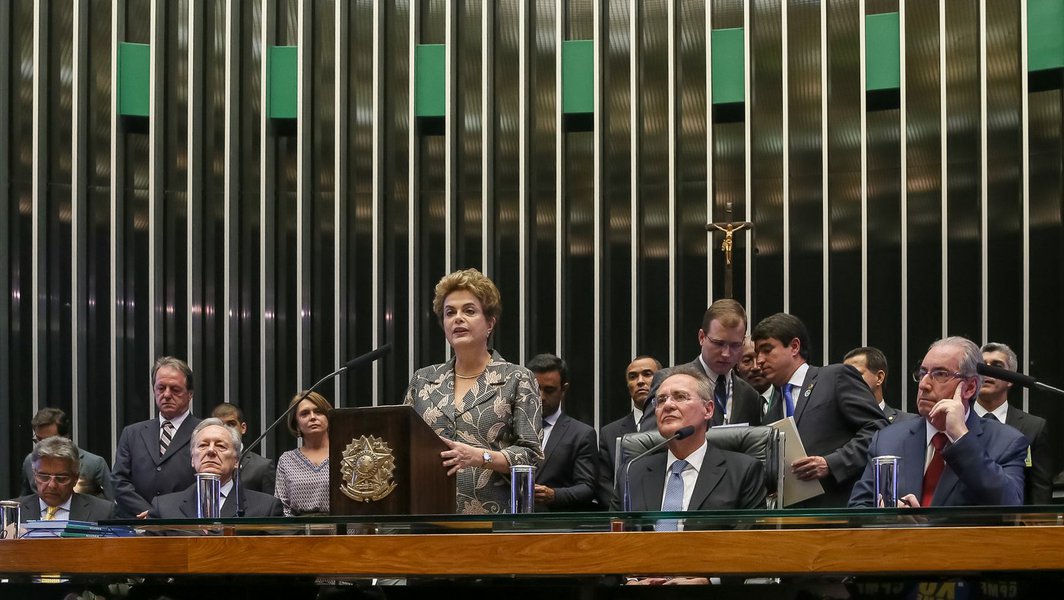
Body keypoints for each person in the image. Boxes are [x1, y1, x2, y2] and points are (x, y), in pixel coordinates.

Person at [404, 268, 543, 514]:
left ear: (489, 323)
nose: (458, 319)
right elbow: (403, 445)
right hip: (427, 515)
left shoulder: (517, 378)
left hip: (494, 518)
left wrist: (481, 457)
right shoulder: (423, 380)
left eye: (469, 311)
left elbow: (531, 455)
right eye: (450, 313)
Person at [849, 337, 1027, 507]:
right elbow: (858, 507)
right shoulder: (888, 439)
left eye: (940, 374)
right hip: (902, 538)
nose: (923, 384)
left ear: (970, 387)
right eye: (922, 373)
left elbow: (1009, 505)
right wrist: (889, 516)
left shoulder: (1007, 441)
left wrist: (960, 437)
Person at [751, 313, 886, 507]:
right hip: (793, 521)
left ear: (795, 347)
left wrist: (831, 463)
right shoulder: (770, 409)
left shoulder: (835, 377)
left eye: (767, 349)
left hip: (841, 511)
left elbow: (878, 430)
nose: (759, 361)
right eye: (757, 353)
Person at [612, 364, 766, 514]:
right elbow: (613, 535)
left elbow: (750, 537)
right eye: (661, 400)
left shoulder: (743, 471)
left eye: (680, 397)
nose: (668, 405)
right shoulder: (631, 472)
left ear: (708, 409)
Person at [640, 299, 763, 431]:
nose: (726, 354)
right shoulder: (668, 380)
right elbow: (648, 440)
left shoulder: (750, 396)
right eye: (718, 343)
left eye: (735, 345)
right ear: (701, 337)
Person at [112, 357, 202, 518]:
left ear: (190, 394)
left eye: (175, 389)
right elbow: (120, 481)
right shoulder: (132, 433)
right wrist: (149, 514)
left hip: (185, 523)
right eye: (161, 388)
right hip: (137, 522)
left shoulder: (205, 432)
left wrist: (164, 513)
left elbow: (207, 481)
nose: (167, 395)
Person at [149, 418, 283, 518]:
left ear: (236, 460)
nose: (211, 451)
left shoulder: (266, 508)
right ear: (192, 459)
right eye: (203, 445)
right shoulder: (163, 508)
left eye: (221, 446)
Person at [977, 342, 1053, 505]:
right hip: (960, 522)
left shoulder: (1033, 427)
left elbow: (1040, 488)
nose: (988, 372)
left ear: (1011, 379)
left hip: (1014, 522)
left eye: (997, 366)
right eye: (983, 367)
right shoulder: (956, 419)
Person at [526, 353, 598, 511]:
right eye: (536, 389)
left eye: (549, 390)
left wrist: (554, 495)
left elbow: (587, 488)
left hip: (555, 527)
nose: (541, 397)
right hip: (508, 526)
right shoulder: (510, 428)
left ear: (563, 389)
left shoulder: (581, 434)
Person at [597, 356, 661, 507]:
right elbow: (603, 484)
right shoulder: (610, 432)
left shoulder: (674, 428)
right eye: (633, 377)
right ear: (628, 385)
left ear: (661, 380)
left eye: (647, 374)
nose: (640, 381)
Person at [19, 407, 114, 500]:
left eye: (49, 441)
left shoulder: (95, 463)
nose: (43, 446)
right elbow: (25, 501)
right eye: (38, 440)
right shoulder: (30, 460)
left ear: (66, 437)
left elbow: (111, 505)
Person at [13, 436, 114, 522]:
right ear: (34, 475)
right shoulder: (10, 512)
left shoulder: (103, 512)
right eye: (44, 476)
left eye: (61, 478)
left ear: (75, 478)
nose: (52, 485)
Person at [274, 391, 332, 516]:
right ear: (296, 424)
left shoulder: (345, 454)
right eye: (305, 414)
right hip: (299, 532)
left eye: (319, 412)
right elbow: (282, 507)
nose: (313, 417)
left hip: (342, 531)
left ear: (328, 417)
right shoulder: (287, 460)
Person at [211, 403, 276, 495]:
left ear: (243, 428)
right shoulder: (205, 462)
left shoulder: (262, 467)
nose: (226, 430)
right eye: (220, 425)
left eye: (231, 424)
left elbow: (270, 506)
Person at [843, 346, 918, 424]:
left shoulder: (908, 422)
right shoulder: (836, 424)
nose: (848, 381)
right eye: (845, 376)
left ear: (879, 377)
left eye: (856, 374)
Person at [736, 338, 778, 421]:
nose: (755, 367)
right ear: (737, 366)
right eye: (747, 360)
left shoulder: (786, 397)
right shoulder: (732, 404)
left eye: (760, 359)